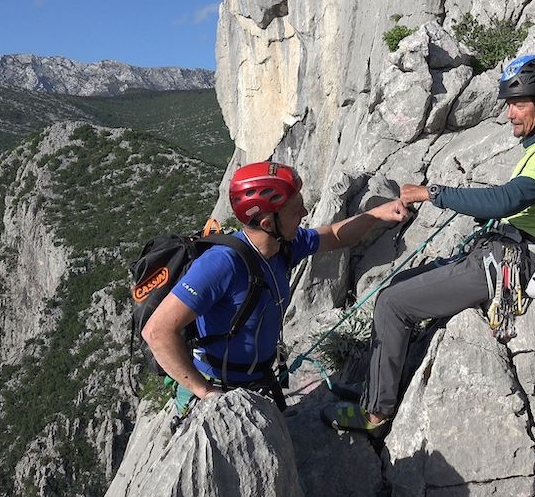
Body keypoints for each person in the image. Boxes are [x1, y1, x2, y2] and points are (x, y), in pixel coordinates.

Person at [322, 54, 535, 435]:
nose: (510, 113)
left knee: (392, 304)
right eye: (509, 104)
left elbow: (507, 200)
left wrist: (435, 193)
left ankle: (375, 415)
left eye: (518, 104)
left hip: (514, 264)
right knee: (399, 285)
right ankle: (376, 387)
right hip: (508, 251)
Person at [142, 161, 409, 412]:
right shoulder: (222, 264)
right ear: (268, 223)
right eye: (296, 210)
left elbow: (334, 236)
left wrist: (375, 214)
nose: (305, 213)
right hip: (217, 388)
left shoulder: (282, 246)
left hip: (258, 381)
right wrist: (205, 392)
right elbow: (157, 332)